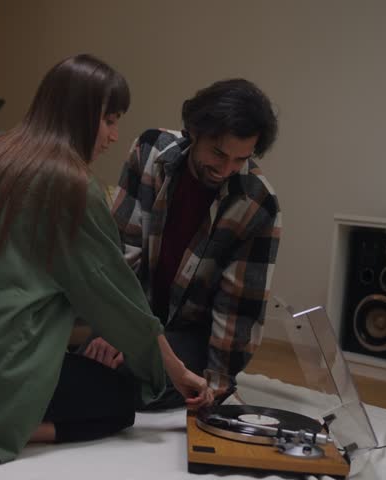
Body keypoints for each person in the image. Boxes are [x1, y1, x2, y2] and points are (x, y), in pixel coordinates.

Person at [0, 54, 213, 463]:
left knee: (70, 361)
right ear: (78, 114)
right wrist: (177, 373)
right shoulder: (71, 186)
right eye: (109, 120)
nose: (113, 135)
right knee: (122, 401)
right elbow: (117, 301)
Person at [81, 78, 280, 409]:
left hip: (191, 335)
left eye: (239, 159)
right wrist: (115, 328)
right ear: (194, 131)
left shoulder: (259, 205)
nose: (225, 169)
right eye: (218, 153)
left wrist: (213, 389)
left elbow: (239, 313)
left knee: (129, 376)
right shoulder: (149, 150)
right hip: (133, 312)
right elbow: (120, 255)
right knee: (85, 361)